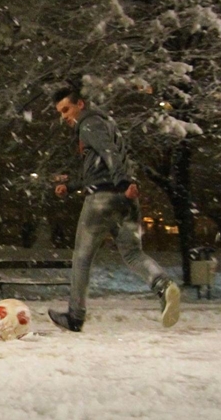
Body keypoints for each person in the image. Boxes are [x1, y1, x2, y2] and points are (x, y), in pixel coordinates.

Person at [46, 83, 180, 332]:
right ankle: (163, 285)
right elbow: (104, 163)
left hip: (103, 200)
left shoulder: (89, 124)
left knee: (82, 257)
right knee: (132, 253)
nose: (64, 116)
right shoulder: (107, 123)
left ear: (80, 105)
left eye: (66, 109)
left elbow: (109, 155)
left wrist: (124, 180)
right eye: (60, 112)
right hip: (125, 200)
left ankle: (75, 316)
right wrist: (73, 185)